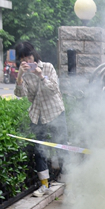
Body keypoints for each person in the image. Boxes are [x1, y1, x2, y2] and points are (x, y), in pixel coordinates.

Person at [14, 41, 68, 197]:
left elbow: (54, 89)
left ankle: (68, 179)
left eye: (29, 57)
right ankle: (44, 184)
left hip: (55, 110)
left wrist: (40, 75)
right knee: (39, 149)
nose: (27, 61)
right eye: (23, 59)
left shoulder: (48, 67)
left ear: (34, 55)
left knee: (62, 145)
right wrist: (19, 76)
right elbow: (20, 94)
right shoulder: (24, 74)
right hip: (38, 114)